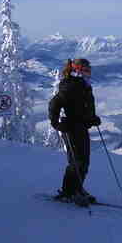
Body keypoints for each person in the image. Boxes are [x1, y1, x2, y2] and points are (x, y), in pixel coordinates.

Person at [48, 58, 101, 206]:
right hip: (70, 127)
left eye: (89, 70)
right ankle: (68, 192)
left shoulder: (84, 85)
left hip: (81, 127)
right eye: (85, 70)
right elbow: (54, 104)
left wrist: (92, 119)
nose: (88, 72)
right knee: (76, 161)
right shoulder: (70, 85)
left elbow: (82, 108)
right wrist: (56, 123)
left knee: (84, 161)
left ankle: (77, 189)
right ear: (77, 70)